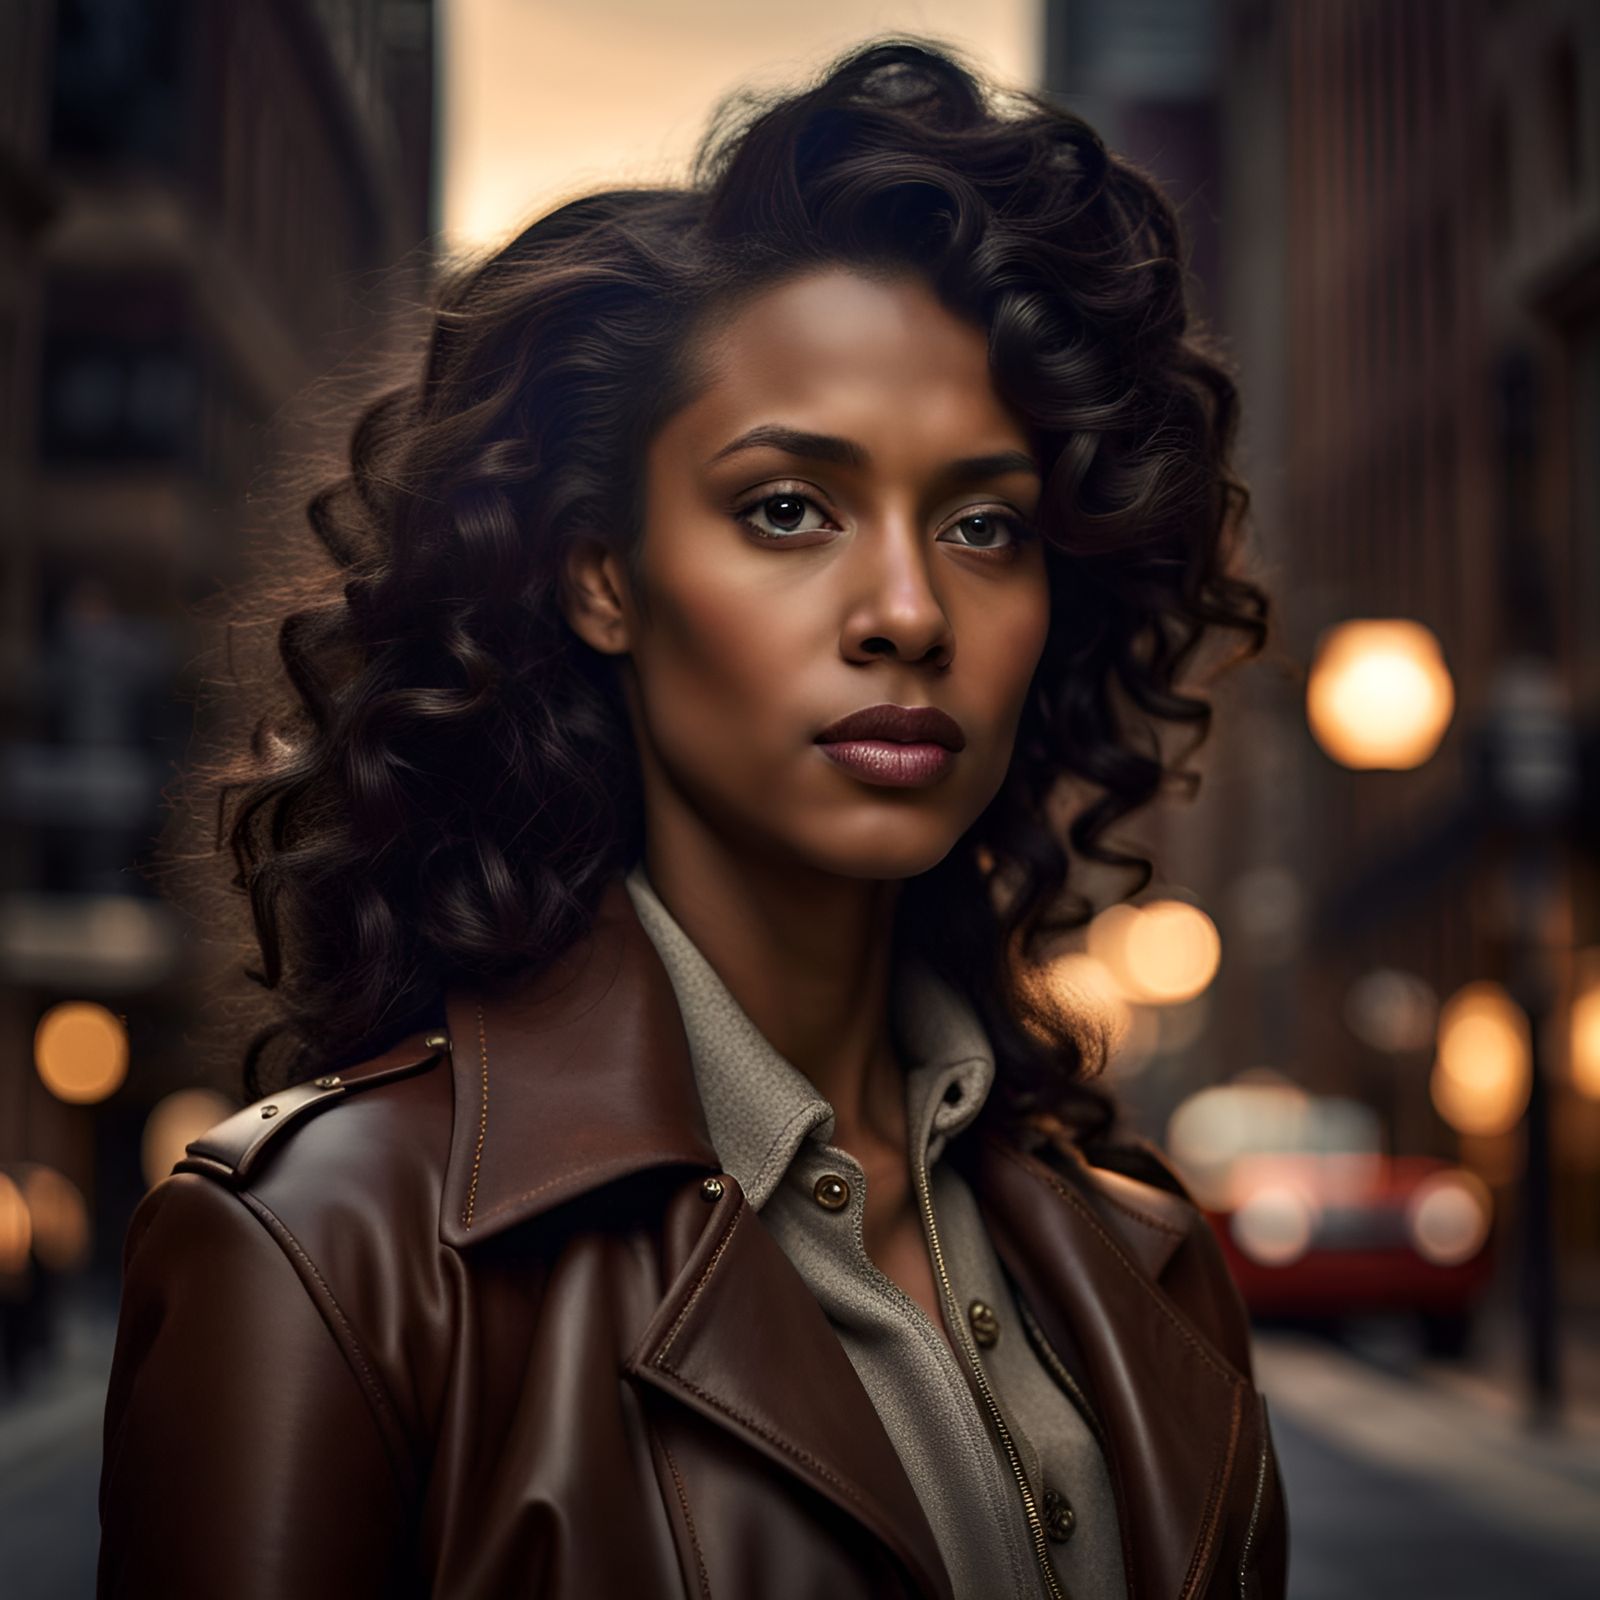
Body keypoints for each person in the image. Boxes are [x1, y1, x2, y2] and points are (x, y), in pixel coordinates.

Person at [98, 37, 1288, 1600]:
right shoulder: (329, 1257)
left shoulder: (1150, 1265)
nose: (910, 612)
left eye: (984, 522)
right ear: (604, 578)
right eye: (789, 508)